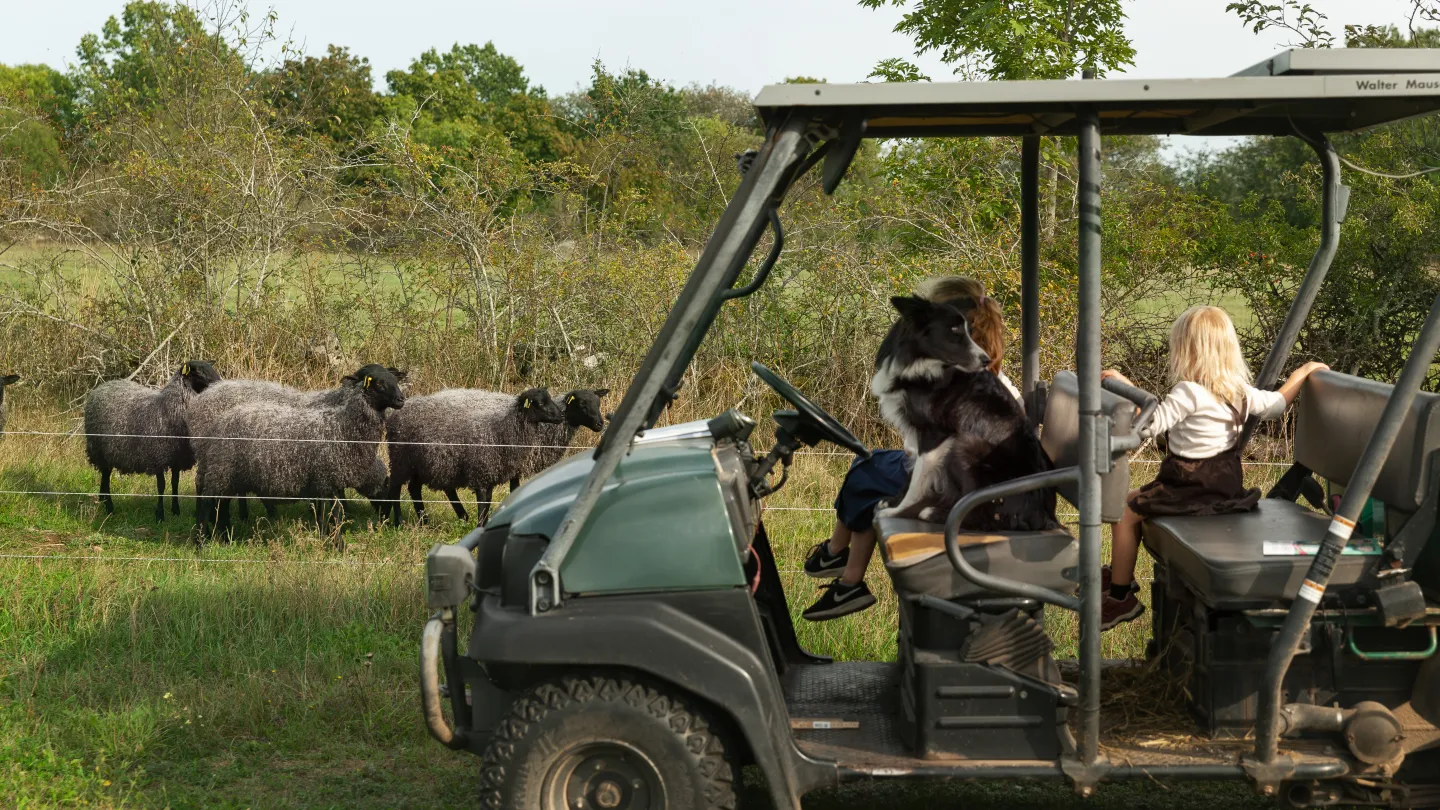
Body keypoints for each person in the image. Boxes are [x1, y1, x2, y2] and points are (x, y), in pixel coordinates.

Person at [801, 276, 1022, 621]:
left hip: (962, 487)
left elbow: (943, 453)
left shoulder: (963, 382)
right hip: (954, 474)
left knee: (871, 476)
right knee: (870, 468)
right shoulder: (971, 375)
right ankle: (843, 572)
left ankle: (842, 567)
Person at [1098, 305, 1329, 630]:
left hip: (1189, 486)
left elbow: (1148, 428)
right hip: (1224, 487)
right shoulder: (1240, 392)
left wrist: (1127, 391)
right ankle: (1119, 572)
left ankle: (1121, 596)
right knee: (1133, 498)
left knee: (1125, 511)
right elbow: (1278, 404)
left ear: (1186, 352)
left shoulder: (1187, 392)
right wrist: (1303, 372)